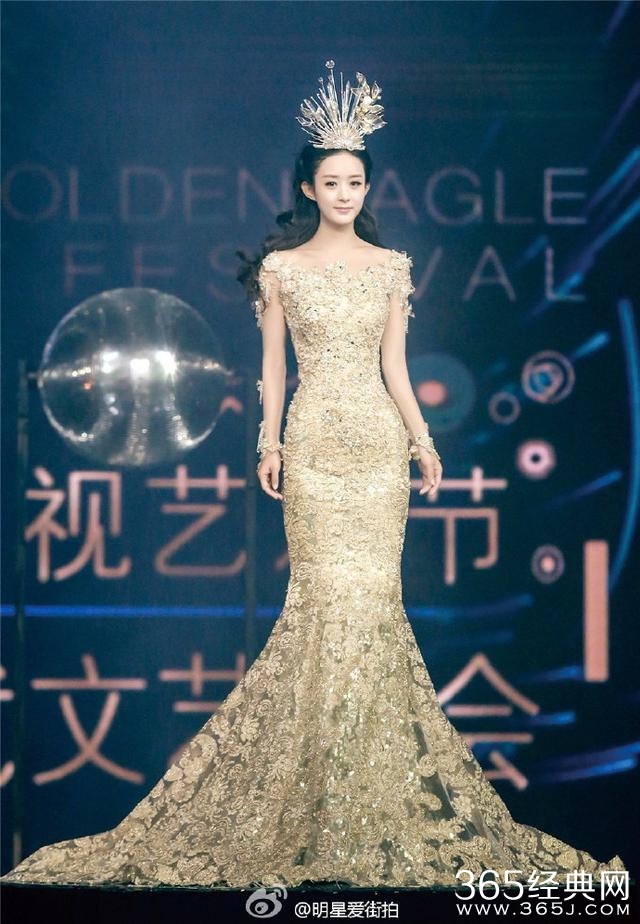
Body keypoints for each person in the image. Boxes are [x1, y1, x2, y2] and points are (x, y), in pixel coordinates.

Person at [1, 61, 627, 891]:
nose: (343, 193)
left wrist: (423, 442)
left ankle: (365, 811)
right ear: (307, 186)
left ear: (367, 187)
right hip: (314, 450)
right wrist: (268, 446)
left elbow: (396, 367)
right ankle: (314, 813)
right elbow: (272, 368)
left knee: (373, 610)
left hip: (375, 449)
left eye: (355, 181)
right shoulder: (282, 271)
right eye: (331, 181)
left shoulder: (392, 266)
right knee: (322, 606)